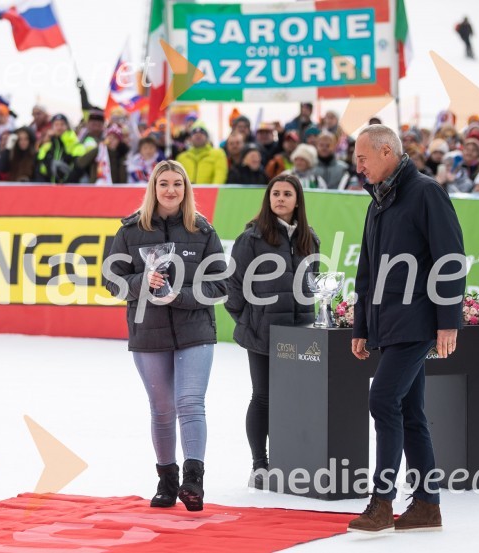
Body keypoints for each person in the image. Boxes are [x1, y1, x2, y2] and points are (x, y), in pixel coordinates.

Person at [348, 124, 465, 534]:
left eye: (362, 157)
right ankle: (427, 506)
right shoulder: (377, 201)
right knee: (410, 411)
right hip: (388, 322)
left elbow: (450, 258)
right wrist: (360, 325)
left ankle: (382, 503)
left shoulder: (426, 192)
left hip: (417, 320)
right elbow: (367, 270)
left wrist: (449, 320)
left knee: (382, 399)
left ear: (385, 152)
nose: (357, 165)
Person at [105, 160, 227, 512]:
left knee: (190, 403)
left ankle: (193, 481)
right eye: (164, 184)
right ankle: (166, 480)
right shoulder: (130, 230)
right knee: (161, 409)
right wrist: (141, 282)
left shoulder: (202, 231)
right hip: (148, 330)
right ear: (153, 189)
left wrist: (182, 295)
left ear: (186, 189)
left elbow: (220, 283)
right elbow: (112, 279)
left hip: (196, 329)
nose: (171, 190)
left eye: (178, 184)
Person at [225, 174, 319, 487]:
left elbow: (312, 286)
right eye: (275, 193)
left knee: (296, 399)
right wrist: (250, 319)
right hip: (263, 334)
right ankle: (260, 465)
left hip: (301, 335)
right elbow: (234, 287)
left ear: (297, 201)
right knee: (263, 397)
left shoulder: (310, 239)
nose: (279, 198)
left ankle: (291, 462)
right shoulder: (251, 239)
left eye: (287, 194)